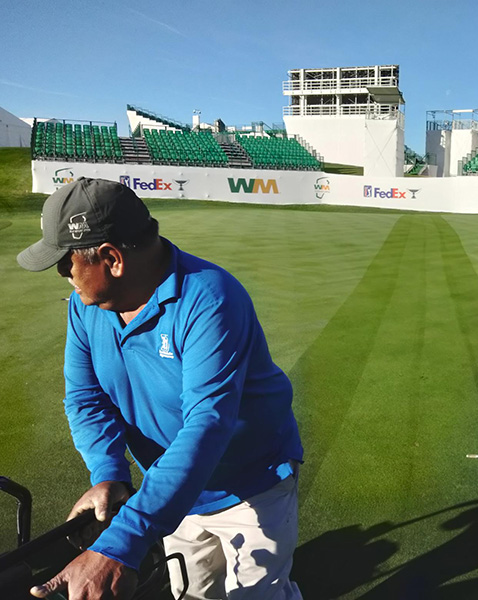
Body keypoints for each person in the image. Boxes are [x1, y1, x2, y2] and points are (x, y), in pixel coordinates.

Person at [17, 178, 303, 600]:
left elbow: (206, 426)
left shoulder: (209, 298)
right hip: (170, 492)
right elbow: (85, 397)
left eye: (65, 263)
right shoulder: (85, 307)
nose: (63, 275)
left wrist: (121, 542)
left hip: (251, 486)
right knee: (193, 593)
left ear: (112, 259)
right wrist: (108, 472)